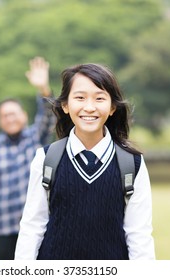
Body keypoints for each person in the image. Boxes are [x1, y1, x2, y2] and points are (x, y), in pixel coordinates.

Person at [14, 63, 155, 260]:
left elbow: (139, 235)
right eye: (80, 98)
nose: (89, 107)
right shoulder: (46, 159)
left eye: (99, 98)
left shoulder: (133, 164)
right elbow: (32, 227)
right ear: (65, 105)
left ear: (113, 107)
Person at [0, 57, 56, 260]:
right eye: (4, 116)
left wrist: (43, 89)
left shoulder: (36, 137)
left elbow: (49, 115)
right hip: (4, 227)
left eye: (13, 114)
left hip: (37, 225)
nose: (10, 119)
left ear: (24, 115)